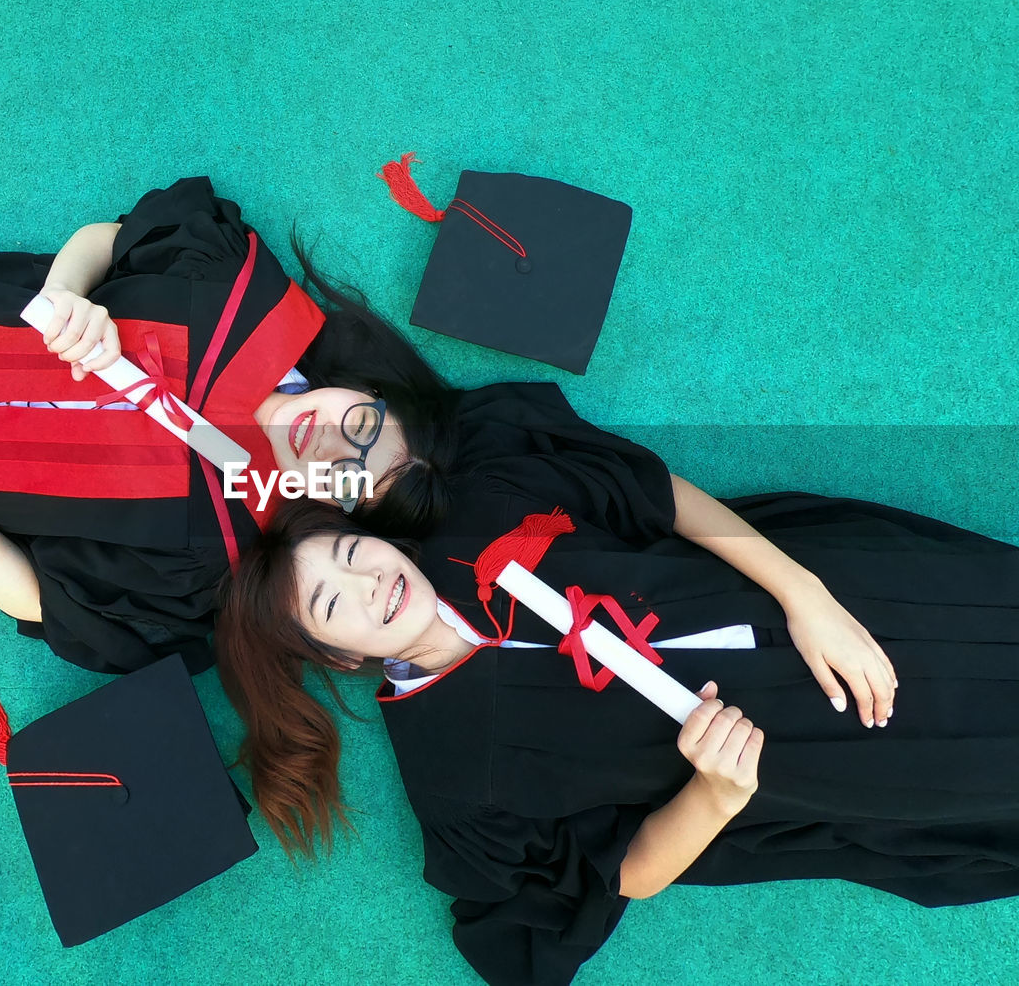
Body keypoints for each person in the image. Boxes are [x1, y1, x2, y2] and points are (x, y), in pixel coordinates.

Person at [216, 399, 1019, 986]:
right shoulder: (455, 778)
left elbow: (652, 494)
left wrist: (804, 591)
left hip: (811, 593)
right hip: (820, 748)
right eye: (332, 604)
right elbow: (618, 875)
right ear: (335, 654)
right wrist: (715, 793)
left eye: (354, 551)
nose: (370, 584)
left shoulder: (475, 503)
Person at [0, 177, 454, 674]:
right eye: (361, 423)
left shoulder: (206, 556)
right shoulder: (239, 291)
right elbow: (109, 237)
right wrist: (65, 291)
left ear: (335, 513)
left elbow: (35, 594)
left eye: (346, 481)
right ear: (365, 386)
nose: (328, 446)